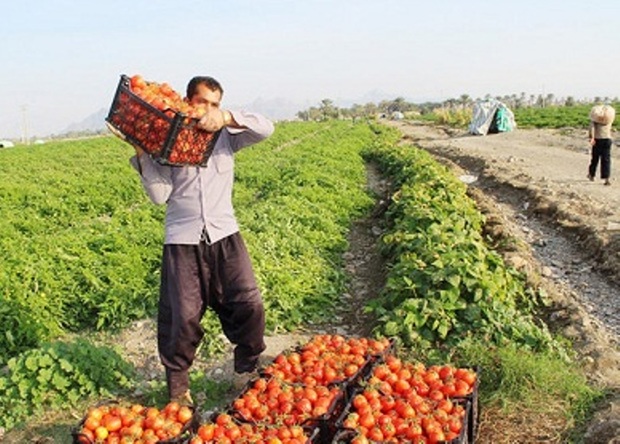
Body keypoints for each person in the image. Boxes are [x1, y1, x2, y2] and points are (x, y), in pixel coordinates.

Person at [129, 76, 274, 405]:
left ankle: (246, 370)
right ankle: (179, 391)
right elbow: (159, 194)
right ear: (186, 102)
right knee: (182, 316)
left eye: (215, 103)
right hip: (182, 240)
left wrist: (225, 118)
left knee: (248, 302)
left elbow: (266, 129)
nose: (208, 109)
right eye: (203, 102)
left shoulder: (225, 138)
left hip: (225, 234)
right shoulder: (165, 142)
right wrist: (142, 152)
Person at [587, 106, 615, 186]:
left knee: (595, 159)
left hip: (597, 140)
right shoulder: (609, 119)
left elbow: (591, 129)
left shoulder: (594, 120)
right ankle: (606, 178)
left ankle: (591, 175)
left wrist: (591, 138)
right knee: (606, 160)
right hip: (607, 139)